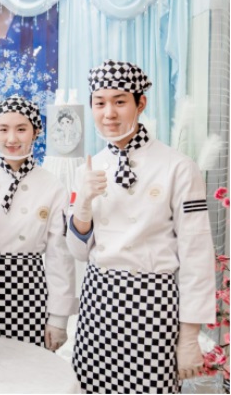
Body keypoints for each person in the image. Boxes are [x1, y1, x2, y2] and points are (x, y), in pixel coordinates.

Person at [67, 59, 216, 393]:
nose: (109, 113)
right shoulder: (88, 168)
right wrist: (83, 203)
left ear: (141, 103)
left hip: (154, 306)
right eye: (99, 103)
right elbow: (78, 251)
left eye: (119, 102)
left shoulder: (178, 167)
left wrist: (189, 337)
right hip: (99, 304)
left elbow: (196, 253)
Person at [0, 95, 78, 351]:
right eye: (3, 129)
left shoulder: (52, 186)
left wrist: (58, 319)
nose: (11, 139)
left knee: (28, 366)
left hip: (30, 292)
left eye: (21, 129)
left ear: (36, 132)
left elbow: (60, 256)